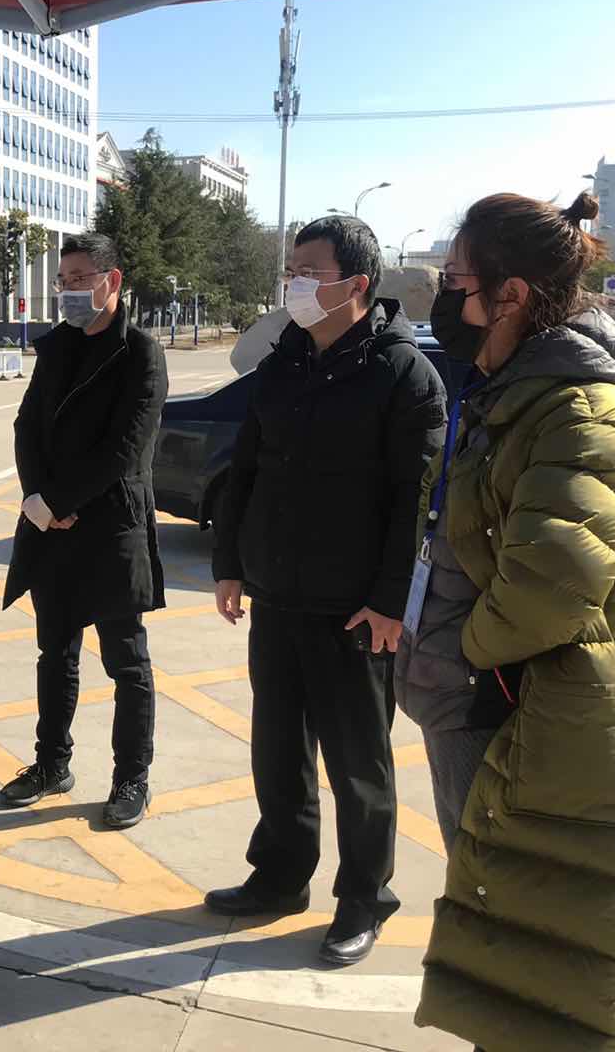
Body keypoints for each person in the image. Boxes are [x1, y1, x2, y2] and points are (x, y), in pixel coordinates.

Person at [401, 192, 615, 1052]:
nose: (445, 296)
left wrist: (460, 652)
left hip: (517, 705)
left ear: (510, 294)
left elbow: (549, 589)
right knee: (498, 905)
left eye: (456, 280)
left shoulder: (577, 410)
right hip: (477, 693)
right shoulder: (513, 388)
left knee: (522, 916)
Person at [206, 216, 447, 965]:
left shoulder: (403, 375)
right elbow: (245, 469)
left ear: (358, 285)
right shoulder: (284, 361)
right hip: (277, 595)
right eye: (292, 271)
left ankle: (364, 898)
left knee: (357, 766)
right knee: (278, 752)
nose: (295, 284)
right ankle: (280, 875)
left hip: (355, 610)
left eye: (310, 272)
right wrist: (229, 562)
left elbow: (415, 502)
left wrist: (389, 601)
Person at [0, 232, 168, 829]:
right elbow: (26, 427)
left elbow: (125, 448)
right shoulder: (58, 348)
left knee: (127, 662)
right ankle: (52, 764)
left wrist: (60, 501)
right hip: (53, 527)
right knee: (55, 654)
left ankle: (132, 778)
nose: (69, 291)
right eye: (63, 281)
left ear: (111, 281)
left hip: (112, 528)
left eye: (79, 280)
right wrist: (37, 500)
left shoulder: (141, 353)